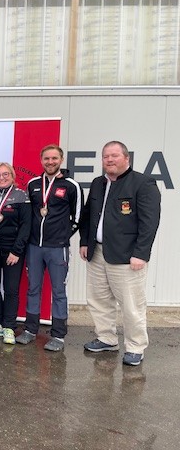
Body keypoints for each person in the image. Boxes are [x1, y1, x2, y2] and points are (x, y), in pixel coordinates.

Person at [79, 141, 161, 366]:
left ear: (126, 158)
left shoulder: (143, 183)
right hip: (97, 253)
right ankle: (106, 338)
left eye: (114, 155)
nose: (109, 160)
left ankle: (135, 347)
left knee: (131, 305)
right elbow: (88, 215)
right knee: (99, 300)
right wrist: (85, 242)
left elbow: (149, 222)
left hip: (127, 257)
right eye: (106, 156)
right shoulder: (98, 183)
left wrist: (141, 253)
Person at [17, 144, 82, 351]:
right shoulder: (33, 184)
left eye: (54, 158)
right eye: (46, 158)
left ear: (61, 160)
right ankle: (30, 330)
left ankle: (58, 335)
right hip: (34, 247)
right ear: (41, 160)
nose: (50, 162)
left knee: (58, 291)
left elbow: (78, 217)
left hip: (57, 248)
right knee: (33, 288)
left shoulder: (71, 186)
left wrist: (62, 237)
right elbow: (28, 214)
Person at [0, 163, 31, 345]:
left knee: (11, 289)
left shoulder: (21, 196)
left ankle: (9, 326)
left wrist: (16, 251)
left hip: (13, 252)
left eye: (5, 174)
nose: (1, 178)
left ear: (12, 176)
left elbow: (26, 226)